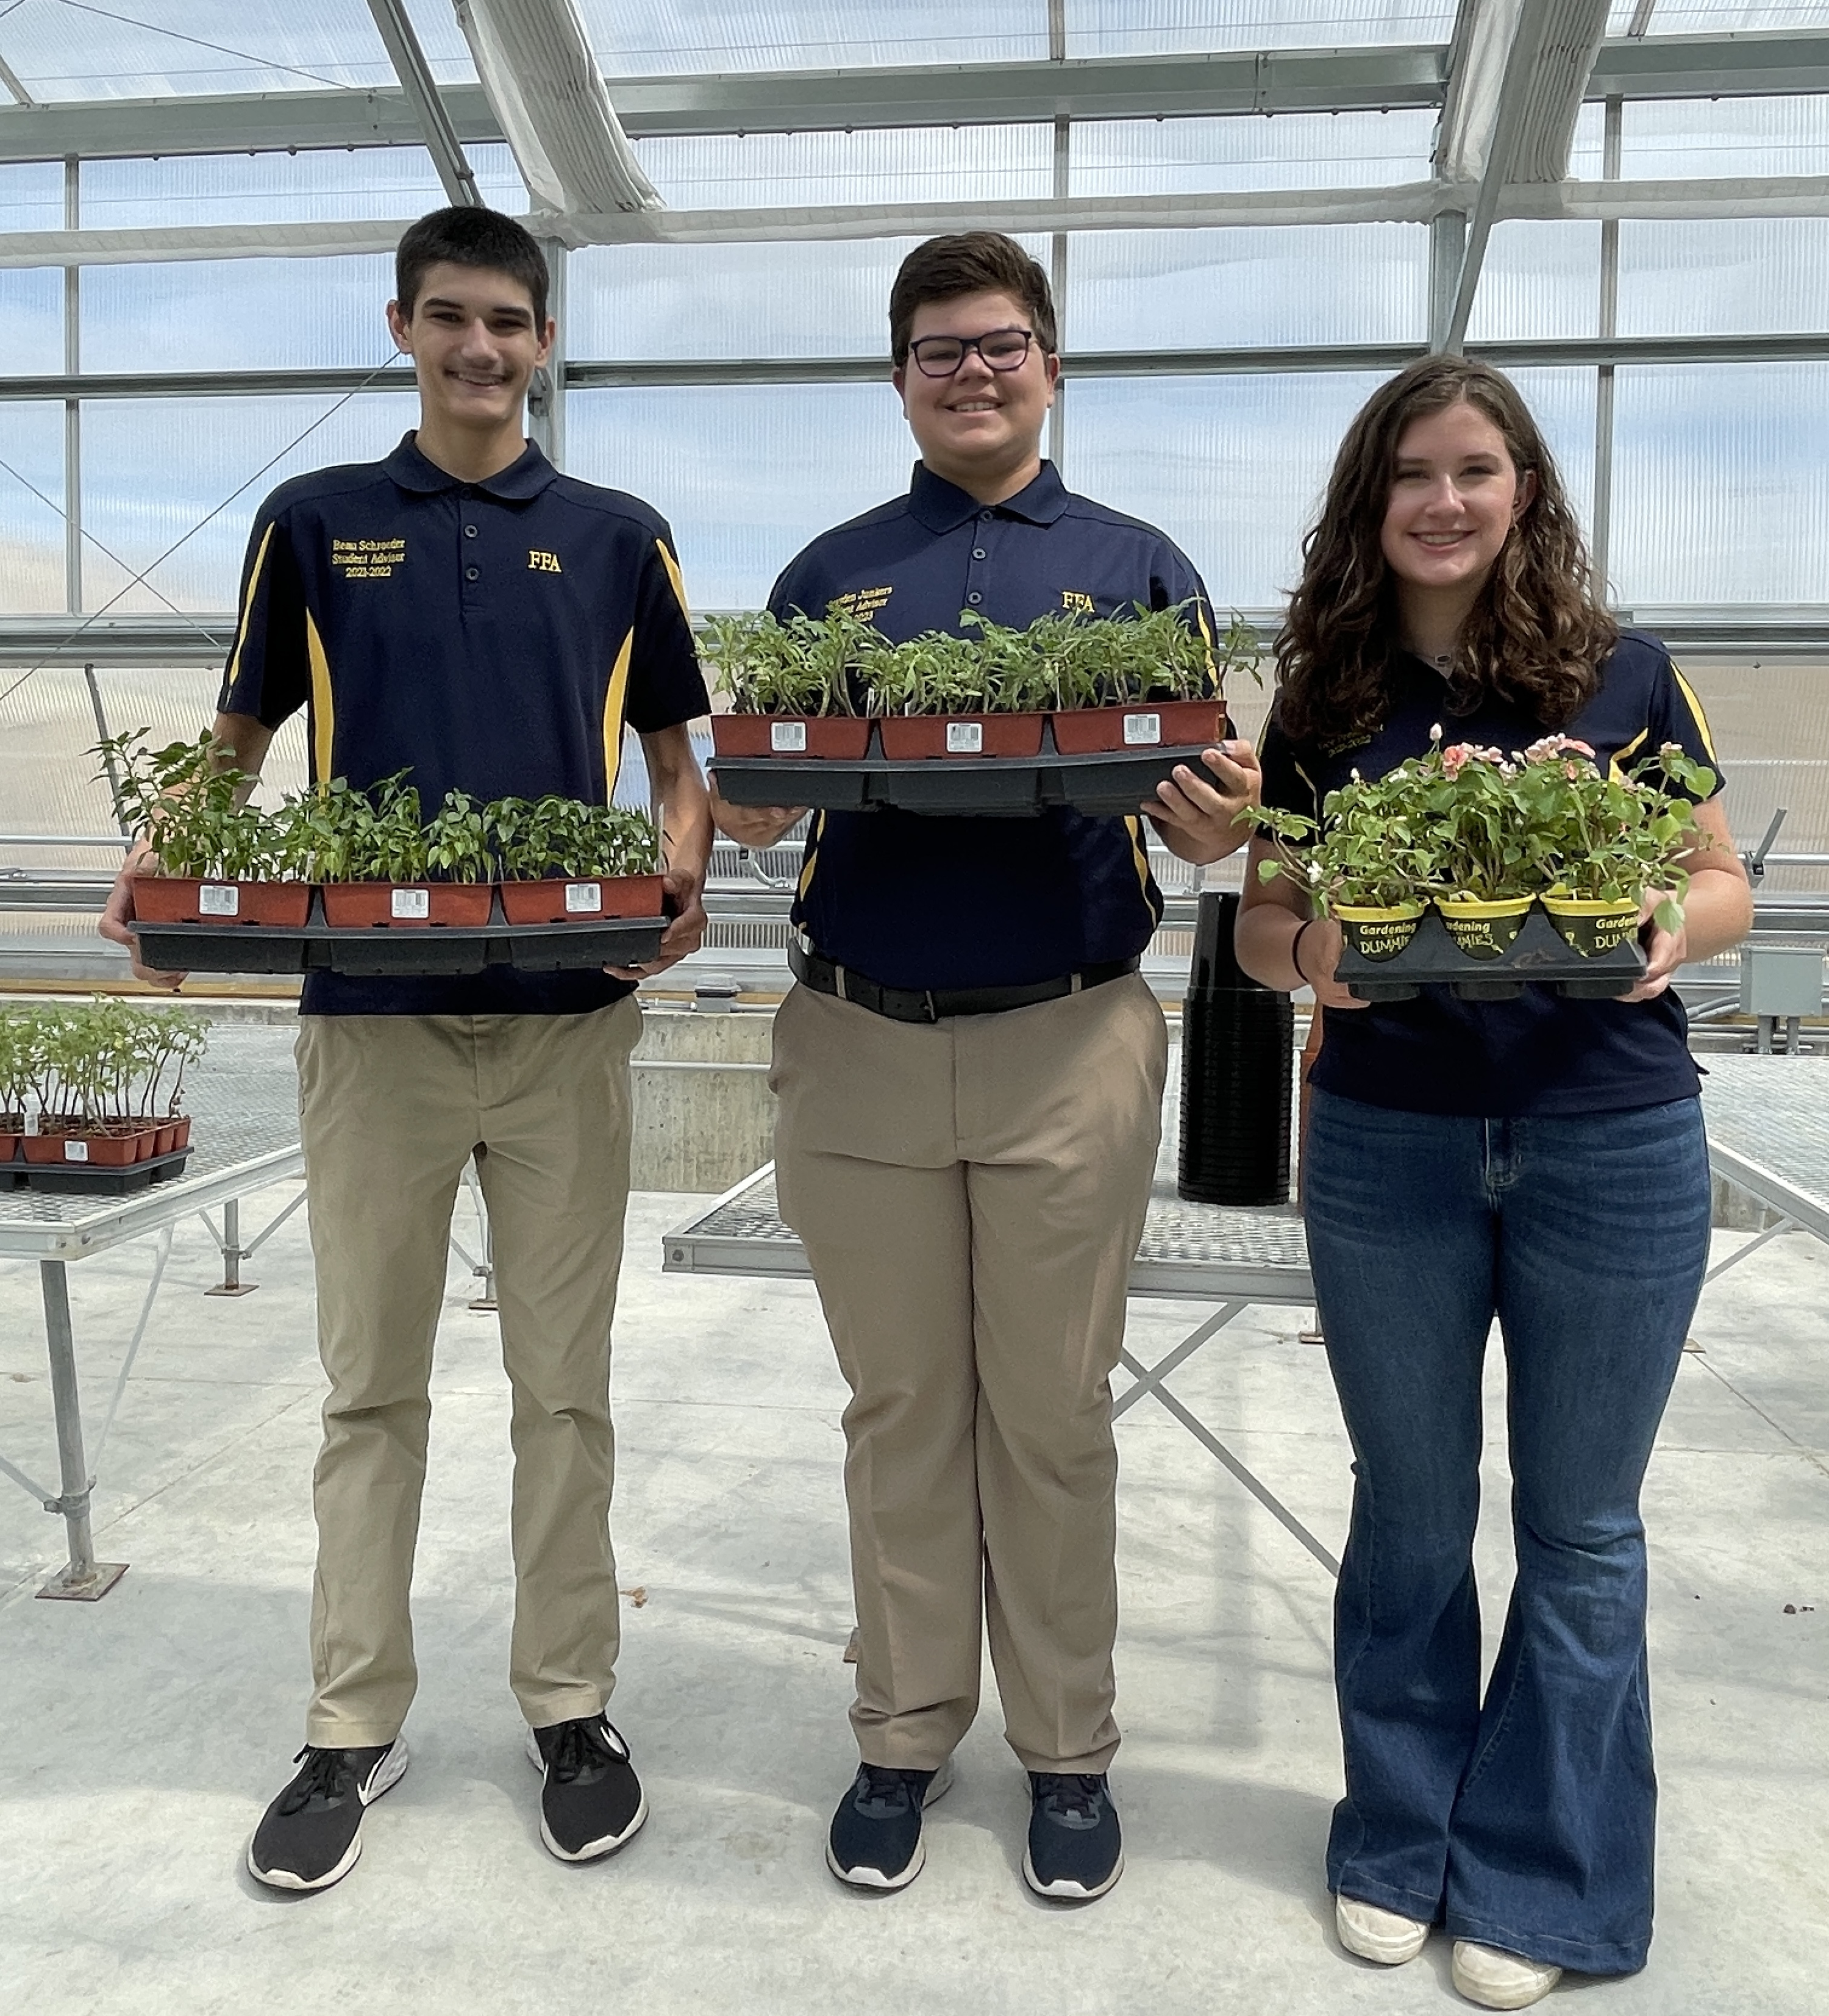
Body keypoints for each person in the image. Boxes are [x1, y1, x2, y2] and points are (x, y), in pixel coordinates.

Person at [99, 206, 713, 1892]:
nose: (479, 350)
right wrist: (159, 877)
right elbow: (238, 739)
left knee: (561, 1395)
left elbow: (676, 760)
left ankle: (569, 1705)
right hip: (367, 1027)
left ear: (543, 342)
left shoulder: (615, 534)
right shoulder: (315, 524)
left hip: (566, 1027)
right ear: (401, 326)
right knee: (368, 1389)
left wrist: (681, 873)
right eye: (449, 319)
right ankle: (350, 1723)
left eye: (508, 322)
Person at [711, 232, 1261, 1901]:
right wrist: (745, 791)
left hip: (1069, 1034)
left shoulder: (1140, 565)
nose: (973, 371)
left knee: (1052, 1415)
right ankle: (902, 1728)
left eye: (1002, 343)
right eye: (940, 350)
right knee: (899, 1411)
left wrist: (1229, 830)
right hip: (859, 1034)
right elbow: (751, 808)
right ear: (898, 378)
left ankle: (1069, 1751)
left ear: (1051, 365)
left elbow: (1215, 801)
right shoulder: (830, 574)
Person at [1236, 357, 1752, 2007]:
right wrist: (1319, 948)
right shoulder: (1325, 698)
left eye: (1476, 468)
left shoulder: (1624, 677)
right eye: (1413, 474)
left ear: (1525, 487)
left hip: (1611, 1133)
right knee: (1409, 1511)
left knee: (1582, 1526)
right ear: (1369, 502)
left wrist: (1669, 931)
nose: (1445, 502)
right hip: (1392, 1140)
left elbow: (1719, 878)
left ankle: (1549, 1874)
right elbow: (1262, 924)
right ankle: (1397, 1834)